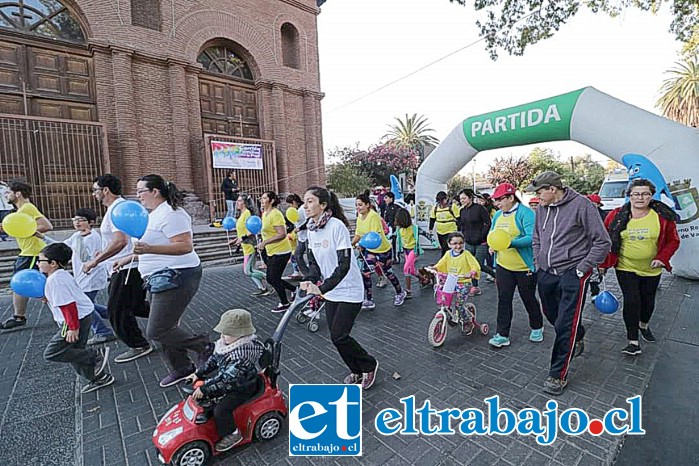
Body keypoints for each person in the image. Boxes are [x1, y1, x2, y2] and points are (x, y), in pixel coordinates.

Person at [114, 174, 212, 387]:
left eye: (141, 191)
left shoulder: (172, 213)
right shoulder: (152, 214)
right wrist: (129, 257)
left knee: (157, 329)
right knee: (168, 325)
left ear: (155, 192)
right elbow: (151, 246)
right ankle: (182, 367)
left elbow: (184, 246)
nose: (137, 196)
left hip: (177, 275)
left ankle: (204, 345)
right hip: (158, 278)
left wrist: (148, 249)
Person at [527, 171, 611, 396]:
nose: (537, 197)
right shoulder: (541, 209)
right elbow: (536, 238)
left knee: (564, 324)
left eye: (539, 192)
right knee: (552, 315)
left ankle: (557, 375)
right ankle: (578, 332)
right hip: (546, 272)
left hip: (572, 273)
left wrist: (582, 268)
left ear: (552, 189)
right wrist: (538, 261)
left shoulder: (582, 206)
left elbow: (602, 242)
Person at [301, 186, 379, 389]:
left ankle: (369, 365)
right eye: (305, 201)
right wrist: (309, 279)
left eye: (310, 201)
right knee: (337, 338)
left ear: (323, 204)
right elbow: (314, 264)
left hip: (350, 289)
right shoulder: (311, 229)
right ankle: (356, 370)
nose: (306, 206)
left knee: (339, 335)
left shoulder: (337, 227)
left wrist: (322, 287)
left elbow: (343, 265)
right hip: (331, 291)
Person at [599, 178, 680, 356]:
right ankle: (632, 341)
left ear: (651, 196)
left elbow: (673, 240)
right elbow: (605, 240)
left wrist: (662, 258)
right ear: (629, 196)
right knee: (632, 300)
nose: (640, 198)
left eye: (645, 194)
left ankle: (643, 324)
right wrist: (603, 264)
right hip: (625, 266)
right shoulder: (616, 215)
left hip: (652, 268)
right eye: (636, 194)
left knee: (647, 301)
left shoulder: (662, 216)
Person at [84, 174, 152, 363]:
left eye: (95, 190)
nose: (94, 194)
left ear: (105, 190)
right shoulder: (116, 208)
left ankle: (138, 344)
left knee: (117, 310)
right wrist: (102, 253)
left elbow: (120, 241)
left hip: (127, 267)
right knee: (136, 305)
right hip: (126, 265)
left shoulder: (118, 209)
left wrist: (95, 261)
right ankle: (165, 318)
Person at [39, 243, 114, 394]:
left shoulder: (56, 281)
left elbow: (68, 305)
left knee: (52, 352)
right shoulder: (60, 275)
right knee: (74, 352)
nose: (38, 264)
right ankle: (99, 378)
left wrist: (73, 328)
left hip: (73, 320)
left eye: (41, 260)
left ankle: (94, 354)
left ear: (53, 263)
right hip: (82, 316)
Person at [185, 309, 264, 452]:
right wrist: (199, 373)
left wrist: (205, 388)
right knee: (206, 398)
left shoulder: (242, 357)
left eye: (227, 333)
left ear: (241, 334)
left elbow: (227, 381)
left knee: (221, 409)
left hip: (242, 387)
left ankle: (232, 434)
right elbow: (214, 360)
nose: (222, 335)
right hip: (229, 380)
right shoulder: (226, 345)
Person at [487, 183, 544, 348]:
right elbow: (493, 234)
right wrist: (493, 244)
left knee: (528, 298)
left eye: (500, 200)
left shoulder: (526, 213)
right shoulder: (498, 215)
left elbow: (532, 237)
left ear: (511, 197)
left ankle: (537, 326)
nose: (497, 204)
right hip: (503, 266)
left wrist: (510, 243)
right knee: (504, 299)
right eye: (496, 200)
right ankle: (502, 334)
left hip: (524, 267)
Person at [1, 180, 53, 330]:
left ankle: (19, 317)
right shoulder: (20, 211)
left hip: (33, 253)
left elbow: (47, 226)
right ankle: (19, 316)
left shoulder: (27, 208)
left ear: (18, 193)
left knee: (21, 283)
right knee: (20, 284)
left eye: (8, 192)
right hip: (28, 252)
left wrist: (28, 230)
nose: (6, 195)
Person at [64, 208, 115, 345]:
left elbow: (89, 257)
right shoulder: (76, 236)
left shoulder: (94, 237)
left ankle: (102, 331)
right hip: (81, 276)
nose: (77, 223)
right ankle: (113, 314)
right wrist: (43, 238)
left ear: (91, 222)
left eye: (81, 220)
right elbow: (62, 246)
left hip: (91, 276)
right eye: (74, 220)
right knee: (87, 304)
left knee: (83, 305)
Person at [353, 191, 406, 309]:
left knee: (388, 272)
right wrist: (350, 244)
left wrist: (361, 244)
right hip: (370, 250)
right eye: (356, 205)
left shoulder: (374, 216)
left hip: (383, 249)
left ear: (367, 205)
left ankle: (400, 293)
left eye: (360, 204)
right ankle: (369, 300)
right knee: (366, 273)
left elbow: (373, 237)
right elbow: (358, 234)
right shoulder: (359, 217)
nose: (358, 207)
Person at [256, 191, 296, 313]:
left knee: (272, 278)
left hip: (282, 251)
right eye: (261, 198)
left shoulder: (276, 214)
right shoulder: (265, 213)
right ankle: (294, 290)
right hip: (271, 251)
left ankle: (285, 303)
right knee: (273, 278)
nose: (261, 200)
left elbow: (282, 234)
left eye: (264, 198)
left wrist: (265, 242)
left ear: (272, 201)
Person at [432, 232, 481, 325]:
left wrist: (472, 272)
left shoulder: (466, 254)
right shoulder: (448, 254)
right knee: (443, 298)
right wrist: (435, 268)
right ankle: (451, 314)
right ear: (449, 244)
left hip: (463, 283)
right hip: (451, 281)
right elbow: (441, 263)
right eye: (455, 243)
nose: (458, 246)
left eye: (461, 243)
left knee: (459, 305)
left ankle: (467, 322)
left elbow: (475, 265)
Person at [231, 194, 271, 297]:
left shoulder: (247, 213)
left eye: (239, 201)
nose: (237, 203)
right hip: (245, 246)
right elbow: (242, 230)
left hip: (250, 246)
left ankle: (270, 278)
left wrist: (242, 238)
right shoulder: (242, 214)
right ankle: (263, 288)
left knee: (248, 271)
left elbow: (251, 230)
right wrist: (236, 239)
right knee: (250, 270)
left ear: (244, 203)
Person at [458, 188, 495, 294]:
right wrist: (464, 235)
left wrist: (481, 235)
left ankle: (493, 275)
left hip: (481, 243)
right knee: (471, 265)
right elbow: (462, 225)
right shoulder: (462, 211)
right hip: (469, 242)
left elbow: (488, 223)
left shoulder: (480, 209)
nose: (462, 201)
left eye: (464, 198)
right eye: (461, 199)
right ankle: (475, 286)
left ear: (470, 198)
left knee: (478, 265)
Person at [394, 207, 419, 299]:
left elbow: (424, 234)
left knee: (406, 268)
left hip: (413, 250)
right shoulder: (400, 229)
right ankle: (424, 279)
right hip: (406, 250)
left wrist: (434, 242)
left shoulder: (413, 228)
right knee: (411, 271)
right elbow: (394, 236)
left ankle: (409, 291)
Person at [586, 193, 607, 300]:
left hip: (597, 248)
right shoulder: (583, 213)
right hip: (584, 248)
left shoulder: (603, 216)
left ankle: (595, 292)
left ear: (598, 205)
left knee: (596, 272)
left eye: (591, 203)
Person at [284, 193, 309, 280]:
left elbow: (309, 221)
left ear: (294, 202)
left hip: (307, 237)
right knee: (297, 255)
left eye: (290, 204)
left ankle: (310, 274)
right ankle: (306, 273)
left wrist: (300, 228)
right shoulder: (295, 211)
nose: (289, 207)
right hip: (301, 237)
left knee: (308, 257)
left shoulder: (303, 209)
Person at [429, 191, 460, 256]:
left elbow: (458, 218)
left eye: (442, 200)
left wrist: (460, 228)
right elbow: (432, 218)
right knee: (443, 247)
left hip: (450, 230)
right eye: (439, 201)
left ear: (446, 198)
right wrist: (430, 229)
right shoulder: (435, 207)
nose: (441, 203)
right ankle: (447, 260)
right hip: (440, 231)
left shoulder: (452, 206)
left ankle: (444, 260)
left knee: (447, 247)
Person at [382, 192, 401, 262]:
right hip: (388, 229)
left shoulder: (396, 207)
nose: (385, 199)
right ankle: (391, 258)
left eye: (386, 198)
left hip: (395, 229)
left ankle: (396, 258)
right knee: (390, 243)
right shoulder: (385, 207)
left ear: (391, 198)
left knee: (395, 243)